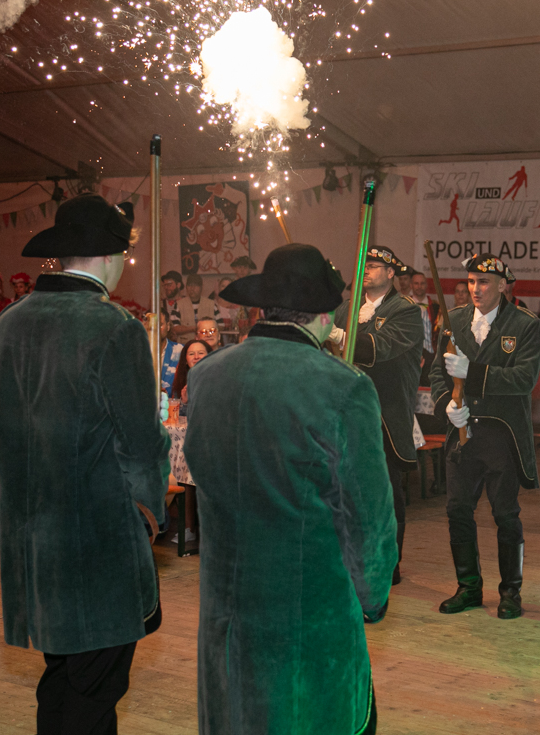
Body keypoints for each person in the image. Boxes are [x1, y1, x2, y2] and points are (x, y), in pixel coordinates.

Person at [184, 243, 396, 735]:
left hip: (227, 611)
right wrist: (373, 594)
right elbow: (367, 513)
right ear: (324, 316)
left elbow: (199, 467)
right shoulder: (342, 386)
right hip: (308, 617)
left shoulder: (206, 376)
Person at [0, 194, 170, 734]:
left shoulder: (6, 324)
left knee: (61, 678)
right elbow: (141, 442)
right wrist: (148, 516)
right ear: (111, 258)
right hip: (96, 540)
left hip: (30, 538)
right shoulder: (114, 327)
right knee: (94, 690)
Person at [430, 253, 540, 620]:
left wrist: (473, 372)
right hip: (462, 431)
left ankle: (511, 591)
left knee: (505, 514)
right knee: (457, 510)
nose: (475, 289)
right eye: (471, 282)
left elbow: (524, 379)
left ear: (503, 285)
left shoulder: (524, 324)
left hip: (501, 434)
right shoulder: (454, 320)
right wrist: (447, 404)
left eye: (484, 282)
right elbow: (437, 374)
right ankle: (468, 587)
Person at [329, 245, 423, 586]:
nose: (366, 270)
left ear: (391, 273)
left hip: (385, 413)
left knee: (385, 492)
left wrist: (340, 335)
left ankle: (388, 564)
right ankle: (349, 559)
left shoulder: (406, 311)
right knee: (344, 490)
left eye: (374, 265)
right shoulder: (346, 308)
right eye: (364, 265)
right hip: (347, 412)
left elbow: (381, 348)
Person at [172, 273, 217, 344]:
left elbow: (221, 325)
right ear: (186, 287)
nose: (192, 288)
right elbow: (174, 328)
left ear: (201, 287)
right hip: (184, 345)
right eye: (189, 285)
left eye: (195, 285)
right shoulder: (179, 305)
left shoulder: (211, 304)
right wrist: (193, 328)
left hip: (207, 345)